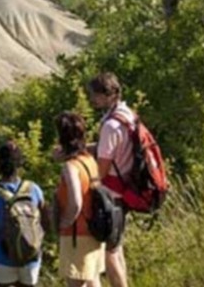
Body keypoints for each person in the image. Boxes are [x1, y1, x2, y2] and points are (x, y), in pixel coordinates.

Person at [0, 140, 48, 286]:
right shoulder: (34, 189)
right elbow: (45, 223)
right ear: (20, 164)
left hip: (1, 256)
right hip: (30, 256)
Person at [87, 72, 131, 287]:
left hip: (111, 195)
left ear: (107, 95)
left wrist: (87, 184)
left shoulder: (110, 126)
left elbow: (102, 167)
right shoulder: (127, 115)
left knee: (109, 254)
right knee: (117, 248)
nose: (92, 99)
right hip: (125, 190)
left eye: (94, 95)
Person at [56, 112, 105, 287]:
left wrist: (63, 222)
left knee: (75, 283)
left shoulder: (70, 167)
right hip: (94, 230)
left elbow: (76, 202)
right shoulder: (90, 161)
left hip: (76, 233)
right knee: (93, 280)